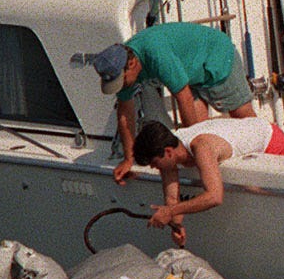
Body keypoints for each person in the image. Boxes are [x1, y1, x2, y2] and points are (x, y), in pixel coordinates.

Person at [95, 22, 257, 184]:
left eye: (121, 81)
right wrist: (128, 159)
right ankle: (210, 176)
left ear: (131, 64)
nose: (121, 86)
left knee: (244, 119)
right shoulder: (122, 69)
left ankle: (268, 162)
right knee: (202, 137)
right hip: (190, 71)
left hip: (217, 56)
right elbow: (125, 114)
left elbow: (184, 97)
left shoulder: (156, 54)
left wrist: (188, 144)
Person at [132, 115, 284, 247]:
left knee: (279, 218)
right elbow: (172, 199)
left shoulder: (201, 147)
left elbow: (215, 196)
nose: (153, 168)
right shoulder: (169, 151)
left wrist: (170, 212)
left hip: (270, 140)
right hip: (244, 130)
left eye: (154, 163)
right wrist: (176, 226)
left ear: (168, 152)